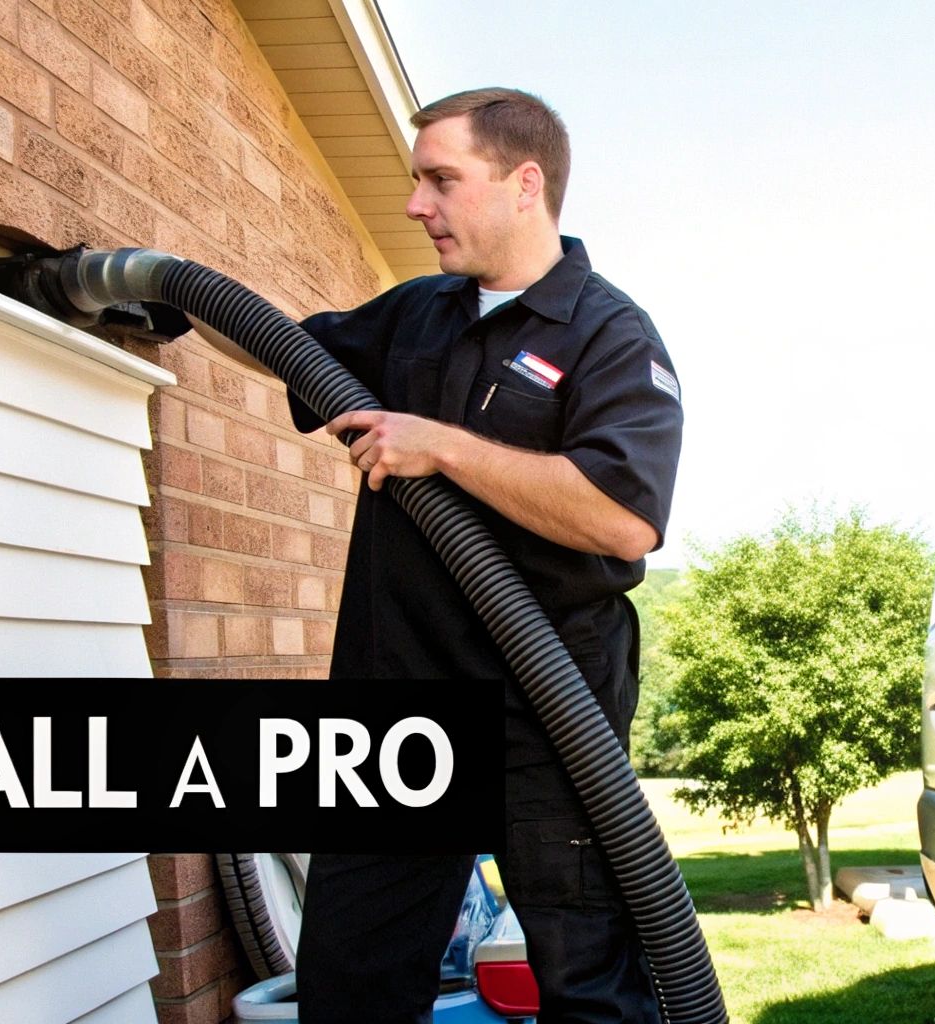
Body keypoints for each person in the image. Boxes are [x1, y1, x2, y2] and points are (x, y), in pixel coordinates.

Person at [288, 88, 682, 1024]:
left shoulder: (607, 335)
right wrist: (141, 292)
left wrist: (446, 448)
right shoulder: (414, 315)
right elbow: (286, 349)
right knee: (349, 986)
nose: (417, 204)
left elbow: (627, 518)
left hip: (544, 717)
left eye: (441, 180)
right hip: (396, 717)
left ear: (524, 183)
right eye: (416, 182)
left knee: (588, 988)